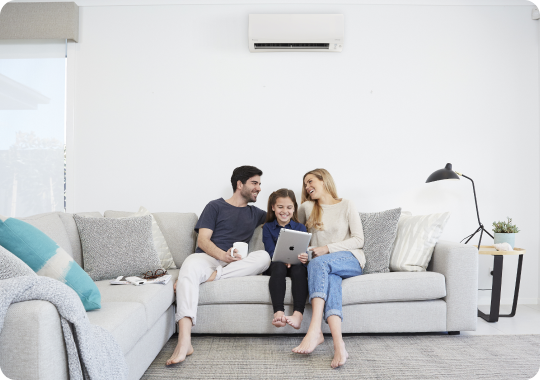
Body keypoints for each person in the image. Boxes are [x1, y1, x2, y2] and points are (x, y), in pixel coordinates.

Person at [166, 165, 271, 366]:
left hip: (234, 264)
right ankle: (184, 341)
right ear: (240, 184)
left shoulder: (256, 213)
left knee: (264, 257)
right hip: (208, 258)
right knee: (190, 264)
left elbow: (282, 216)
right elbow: (203, 241)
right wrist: (222, 254)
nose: (259, 188)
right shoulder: (215, 206)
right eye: (254, 183)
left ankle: (213, 276)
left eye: (260, 184)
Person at [292, 168, 364, 369]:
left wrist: (326, 249)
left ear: (324, 181)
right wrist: (305, 253)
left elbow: (359, 240)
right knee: (330, 279)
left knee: (320, 262)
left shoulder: (347, 205)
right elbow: (299, 238)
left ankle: (315, 330)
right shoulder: (306, 207)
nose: (307, 187)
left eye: (310, 181)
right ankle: (339, 345)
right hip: (324, 267)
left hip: (350, 259)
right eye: (305, 184)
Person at [262, 189, 309, 330]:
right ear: (273, 208)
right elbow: (270, 252)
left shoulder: (301, 227)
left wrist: (305, 256)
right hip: (277, 265)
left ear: (294, 208)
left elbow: (303, 250)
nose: (285, 211)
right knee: (278, 265)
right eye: (280, 207)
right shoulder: (268, 228)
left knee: (299, 269)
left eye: (289, 207)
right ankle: (278, 312)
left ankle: (298, 314)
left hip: (295, 265)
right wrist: (283, 259)